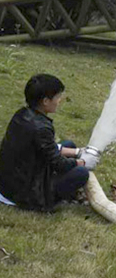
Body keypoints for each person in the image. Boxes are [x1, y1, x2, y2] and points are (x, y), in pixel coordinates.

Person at [0, 74, 99, 211]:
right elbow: (59, 164)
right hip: (25, 194)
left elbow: (44, 147)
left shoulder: (22, 114)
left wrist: (78, 152)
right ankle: (51, 200)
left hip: (9, 183)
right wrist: (83, 162)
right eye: (57, 97)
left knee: (69, 145)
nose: (59, 100)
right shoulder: (41, 128)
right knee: (81, 173)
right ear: (46, 101)